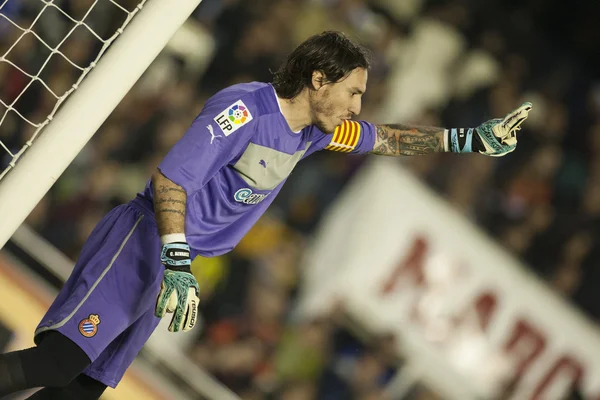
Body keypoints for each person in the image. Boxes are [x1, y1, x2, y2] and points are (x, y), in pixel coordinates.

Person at [0, 31, 532, 399]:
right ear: (320, 79)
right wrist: (180, 264)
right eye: (354, 92)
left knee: (83, 389)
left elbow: (386, 138)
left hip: (169, 271)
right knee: (56, 365)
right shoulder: (246, 109)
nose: (357, 108)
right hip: (146, 244)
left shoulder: (311, 133)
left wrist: (469, 140)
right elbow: (171, 179)